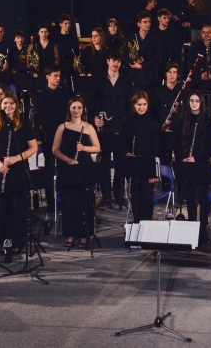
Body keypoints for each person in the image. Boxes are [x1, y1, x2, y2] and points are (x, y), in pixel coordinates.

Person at [0, 91, 39, 263]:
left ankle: (18, 242)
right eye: (5, 103)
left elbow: (33, 147)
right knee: (1, 209)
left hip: (18, 170)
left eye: (11, 103)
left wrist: (16, 158)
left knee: (18, 209)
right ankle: (5, 242)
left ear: (17, 105)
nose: (8, 106)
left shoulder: (23, 122)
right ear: (1, 105)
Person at [87, 49, 134, 207]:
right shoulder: (98, 80)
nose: (116, 64)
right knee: (104, 160)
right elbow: (91, 103)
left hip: (121, 124)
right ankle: (105, 194)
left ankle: (119, 195)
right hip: (104, 125)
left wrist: (129, 125)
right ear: (107, 61)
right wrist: (94, 119)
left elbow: (129, 106)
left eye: (118, 61)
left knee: (121, 159)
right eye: (113, 60)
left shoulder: (126, 82)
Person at [52, 96, 101, 248]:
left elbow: (97, 148)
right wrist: (67, 159)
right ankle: (70, 235)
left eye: (79, 107)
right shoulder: (62, 127)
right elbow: (55, 149)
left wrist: (84, 148)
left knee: (84, 203)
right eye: (73, 107)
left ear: (83, 109)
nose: (76, 110)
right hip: (67, 168)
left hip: (84, 168)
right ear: (69, 109)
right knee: (69, 203)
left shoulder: (88, 127)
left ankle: (84, 235)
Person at [178, 90, 211, 244]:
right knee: (189, 197)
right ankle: (191, 227)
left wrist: (197, 157)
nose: (194, 104)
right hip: (186, 164)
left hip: (201, 164)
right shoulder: (183, 121)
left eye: (197, 101)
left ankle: (202, 230)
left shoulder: (208, 123)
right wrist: (183, 158)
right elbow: (177, 143)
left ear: (201, 103)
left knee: (202, 197)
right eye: (191, 101)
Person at [120, 91, 160, 223]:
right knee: (135, 197)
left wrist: (153, 172)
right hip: (133, 165)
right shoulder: (128, 122)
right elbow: (122, 143)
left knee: (146, 198)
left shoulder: (153, 123)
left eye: (144, 104)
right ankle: (136, 222)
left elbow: (156, 149)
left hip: (147, 166)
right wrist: (127, 153)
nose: (141, 107)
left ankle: (145, 225)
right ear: (134, 105)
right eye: (139, 104)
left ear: (147, 105)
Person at [36, 65, 69, 209]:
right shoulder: (41, 96)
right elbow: (42, 119)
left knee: (63, 166)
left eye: (59, 75)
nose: (58, 78)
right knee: (49, 166)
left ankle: (63, 196)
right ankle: (50, 199)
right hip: (49, 135)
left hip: (64, 135)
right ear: (47, 77)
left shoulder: (64, 95)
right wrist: (58, 129)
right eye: (55, 76)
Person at [154, 62, 183, 169]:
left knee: (180, 162)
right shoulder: (159, 91)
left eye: (175, 72)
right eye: (170, 72)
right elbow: (154, 112)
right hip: (164, 132)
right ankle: (165, 180)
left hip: (178, 132)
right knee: (165, 163)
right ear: (165, 73)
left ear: (178, 74)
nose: (172, 75)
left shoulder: (182, 91)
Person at [125, 10, 162, 92]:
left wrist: (142, 66)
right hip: (135, 75)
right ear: (139, 24)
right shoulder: (131, 38)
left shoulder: (155, 39)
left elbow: (158, 58)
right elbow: (125, 56)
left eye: (149, 22)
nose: (148, 24)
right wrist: (134, 63)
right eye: (145, 22)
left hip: (150, 76)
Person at [152, 8, 182, 76]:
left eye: (168, 18)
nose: (167, 20)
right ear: (159, 18)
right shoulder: (153, 34)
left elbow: (179, 49)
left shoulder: (174, 33)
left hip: (170, 65)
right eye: (164, 18)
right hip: (157, 65)